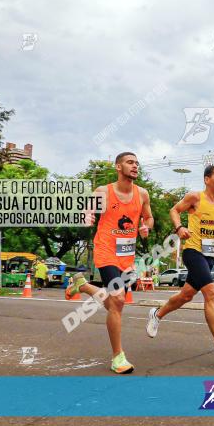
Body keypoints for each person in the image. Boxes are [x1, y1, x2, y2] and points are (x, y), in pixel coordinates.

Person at [65, 152, 153, 374]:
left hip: (127, 256)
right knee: (118, 299)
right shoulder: (103, 191)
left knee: (115, 302)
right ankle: (118, 357)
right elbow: (87, 208)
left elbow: (148, 217)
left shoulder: (142, 194)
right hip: (106, 251)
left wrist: (146, 227)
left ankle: (83, 285)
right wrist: (87, 216)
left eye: (136, 163)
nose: (135, 166)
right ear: (118, 167)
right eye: (130, 162)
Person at [146, 164, 214, 365]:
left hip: (210, 255)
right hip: (193, 251)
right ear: (207, 179)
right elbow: (174, 210)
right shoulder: (195, 197)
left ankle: (157, 313)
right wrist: (179, 227)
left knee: (186, 295)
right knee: (211, 294)